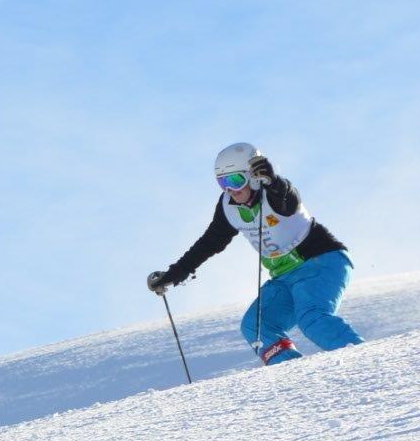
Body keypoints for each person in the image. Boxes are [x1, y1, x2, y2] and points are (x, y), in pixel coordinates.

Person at [147, 142, 364, 366]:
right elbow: (209, 243)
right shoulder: (228, 206)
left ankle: (363, 364)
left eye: (236, 180)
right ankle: (295, 373)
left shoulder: (275, 192)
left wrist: (273, 181)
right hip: (283, 278)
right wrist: (175, 273)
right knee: (256, 326)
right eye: (223, 183)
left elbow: (287, 201)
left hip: (320, 263)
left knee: (312, 318)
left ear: (252, 177)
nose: (231, 189)